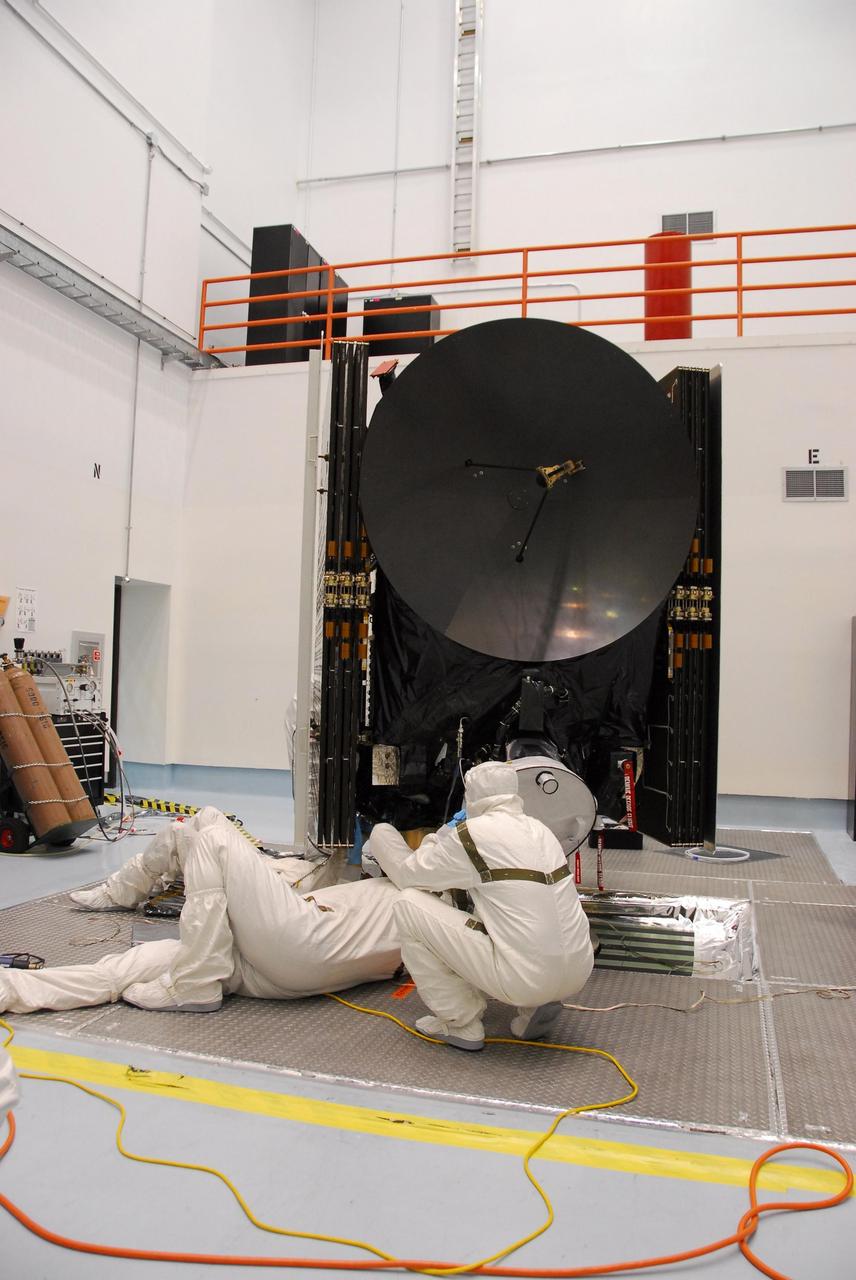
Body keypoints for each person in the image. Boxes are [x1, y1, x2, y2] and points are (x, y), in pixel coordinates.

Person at [0, 807, 402, 1016]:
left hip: (308, 939)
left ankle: (195, 982)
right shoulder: (408, 892)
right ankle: (12, 989)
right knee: (124, 970)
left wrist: (386, 833)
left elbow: (385, 837)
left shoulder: (420, 889)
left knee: (214, 840)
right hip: (266, 959)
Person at [363, 760, 594, 1051]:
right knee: (514, 906)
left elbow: (409, 874)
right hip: (578, 970)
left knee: (408, 904)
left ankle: (460, 1022)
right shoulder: (540, 830)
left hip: (524, 978)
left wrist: (422, 836)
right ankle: (539, 1003)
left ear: (471, 795)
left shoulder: (471, 835)